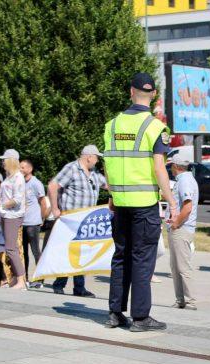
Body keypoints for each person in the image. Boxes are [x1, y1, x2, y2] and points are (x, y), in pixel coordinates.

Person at [103, 72, 178, 332]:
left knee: (121, 256)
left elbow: (109, 164)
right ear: (154, 95)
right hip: (144, 204)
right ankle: (140, 317)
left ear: (130, 91)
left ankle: (115, 313)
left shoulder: (111, 125)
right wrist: (171, 200)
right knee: (142, 259)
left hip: (120, 202)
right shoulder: (156, 127)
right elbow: (159, 169)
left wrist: (112, 195)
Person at [47, 145, 106, 297]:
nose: (97, 160)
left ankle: (79, 288)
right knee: (68, 252)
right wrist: (55, 208)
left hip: (86, 221)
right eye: (96, 157)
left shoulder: (94, 173)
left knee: (82, 253)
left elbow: (107, 186)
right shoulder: (71, 168)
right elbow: (53, 186)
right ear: (89, 157)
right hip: (71, 219)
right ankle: (59, 284)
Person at [168, 154, 199, 310]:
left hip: (181, 228)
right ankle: (180, 300)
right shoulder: (184, 180)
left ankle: (190, 300)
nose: (170, 168)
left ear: (176, 166)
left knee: (182, 266)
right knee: (176, 266)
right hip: (179, 227)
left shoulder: (185, 181)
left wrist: (176, 223)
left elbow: (187, 207)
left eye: (172, 165)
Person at [0, 149, 26, 290]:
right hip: (7, 215)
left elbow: (17, 200)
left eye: (4, 160)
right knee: (10, 248)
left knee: (11, 249)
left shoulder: (18, 177)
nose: (2, 162)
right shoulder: (10, 177)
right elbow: (3, 193)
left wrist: (0, 205)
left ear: (11, 161)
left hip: (13, 216)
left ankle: (21, 280)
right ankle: (16, 278)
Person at [20, 159, 47, 288]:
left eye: (23, 167)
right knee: (23, 251)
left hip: (33, 222)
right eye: (20, 167)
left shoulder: (36, 183)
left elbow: (43, 203)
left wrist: (42, 218)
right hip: (22, 222)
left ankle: (40, 279)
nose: (21, 170)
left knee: (36, 251)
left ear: (30, 169)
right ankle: (24, 278)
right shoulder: (19, 183)